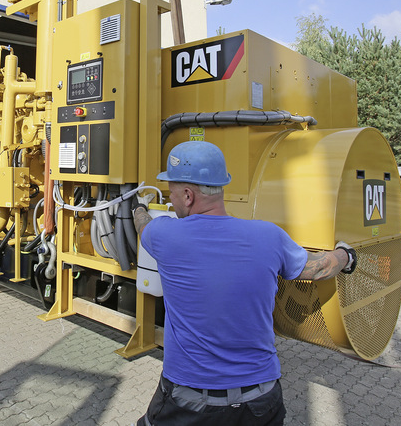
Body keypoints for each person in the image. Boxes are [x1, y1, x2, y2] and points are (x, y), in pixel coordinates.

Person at [131, 141, 357, 425]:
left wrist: (138, 207)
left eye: (172, 193)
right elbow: (319, 268)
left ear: (188, 196)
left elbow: (143, 225)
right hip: (260, 400)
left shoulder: (164, 235)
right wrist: (346, 255)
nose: (171, 200)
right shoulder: (270, 237)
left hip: (189, 401)